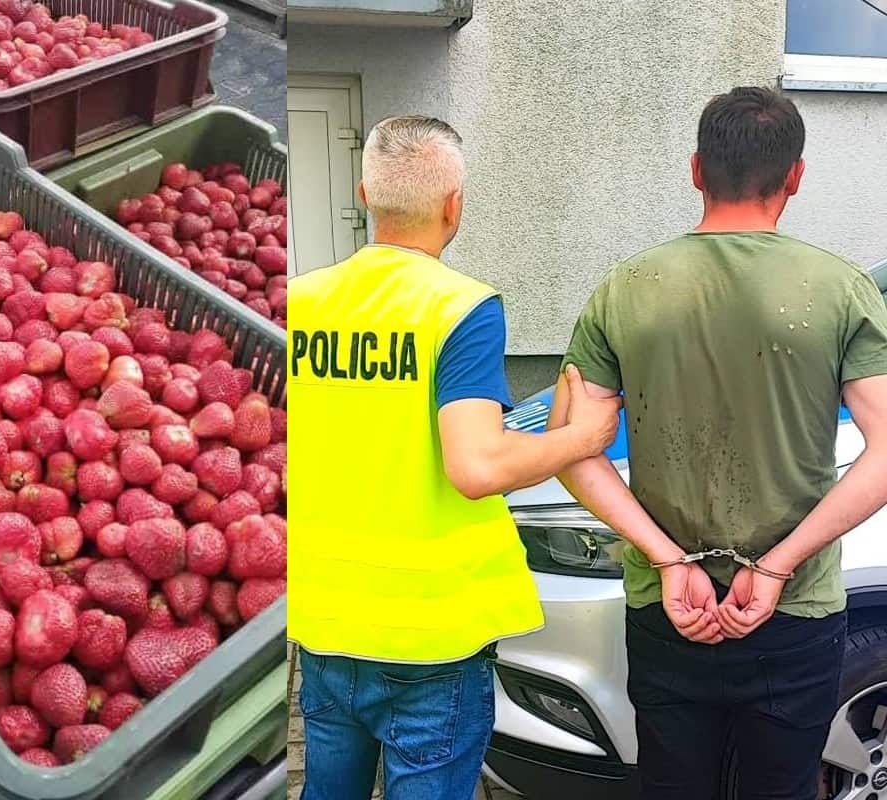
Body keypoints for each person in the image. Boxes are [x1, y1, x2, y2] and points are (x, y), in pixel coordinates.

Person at [549, 86, 887, 800]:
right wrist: (777, 567)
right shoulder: (842, 288)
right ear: (795, 176)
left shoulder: (624, 288)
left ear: (697, 170)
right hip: (795, 608)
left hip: (670, 604)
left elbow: (572, 449)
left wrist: (669, 558)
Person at [287, 115, 622, 800]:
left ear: (364, 194)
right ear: (453, 204)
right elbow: (476, 467)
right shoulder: (459, 307)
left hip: (323, 626)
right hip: (430, 643)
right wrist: (582, 440)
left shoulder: (301, 302)